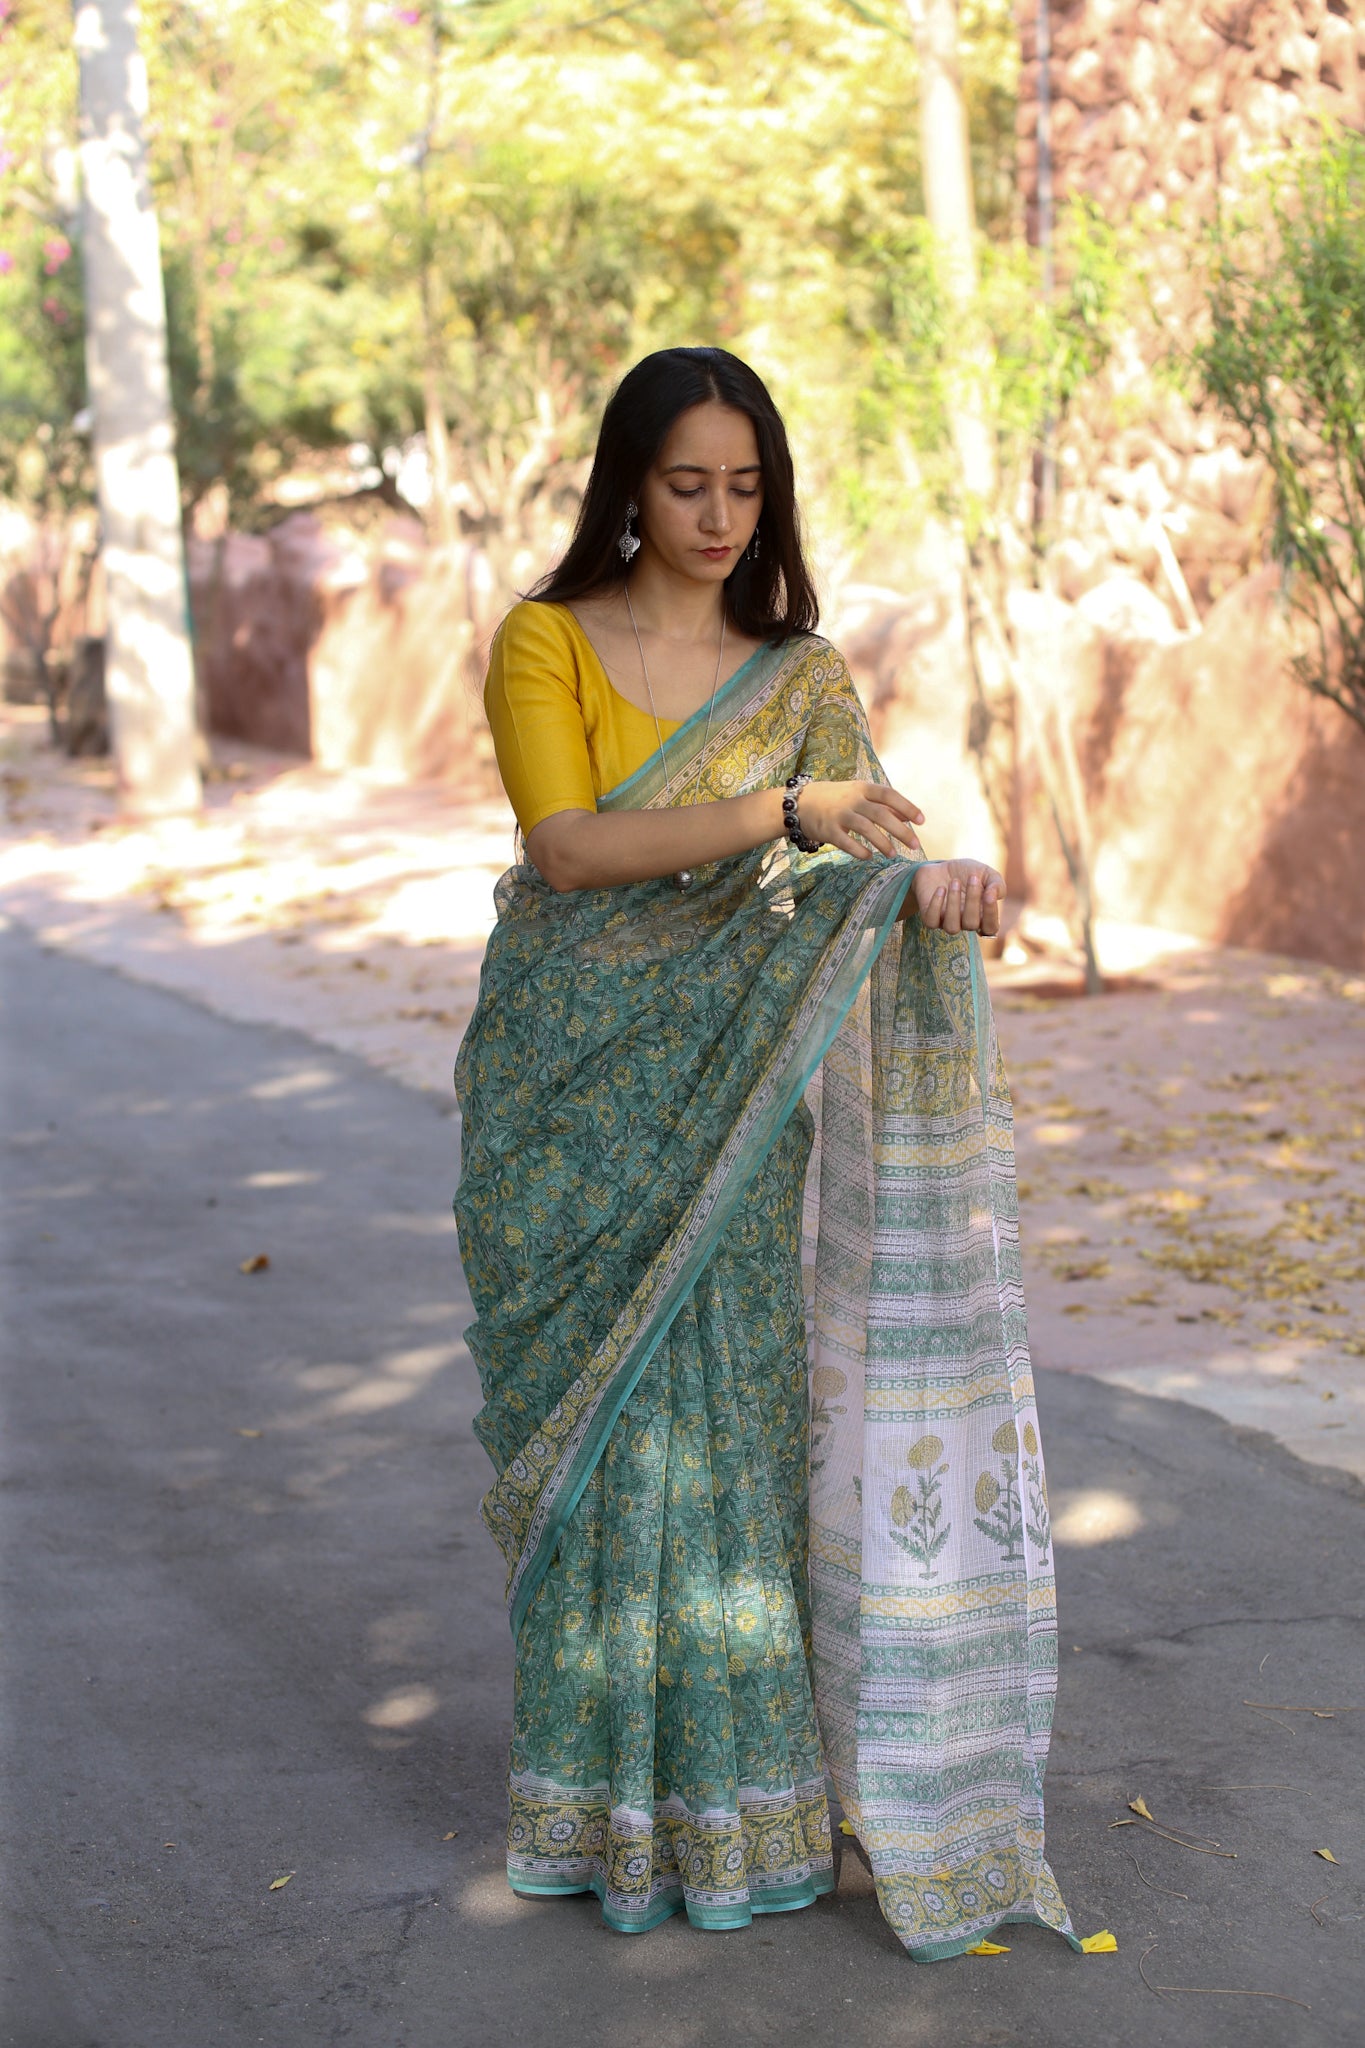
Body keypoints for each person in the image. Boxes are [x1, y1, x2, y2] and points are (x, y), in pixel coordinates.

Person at [454, 346, 1078, 1961]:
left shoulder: (799, 679)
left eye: (744, 485)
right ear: (628, 486)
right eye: (685, 483)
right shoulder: (545, 640)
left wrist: (924, 885)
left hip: (727, 1104)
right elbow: (568, 848)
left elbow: (857, 854)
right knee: (602, 1443)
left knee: (726, 1425)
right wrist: (781, 814)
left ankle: (747, 1810)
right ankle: (601, 1808)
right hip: (566, 1096)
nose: (718, 515)